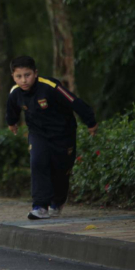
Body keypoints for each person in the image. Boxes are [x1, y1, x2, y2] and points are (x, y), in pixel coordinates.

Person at [6, 56, 98, 220]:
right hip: (38, 134)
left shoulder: (51, 87)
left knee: (61, 169)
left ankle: (58, 201)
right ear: (13, 76)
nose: (23, 80)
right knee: (38, 161)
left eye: (27, 75)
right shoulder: (15, 93)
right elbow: (12, 109)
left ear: (35, 73)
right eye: (18, 76)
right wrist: (11, 123)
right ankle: (40, 206)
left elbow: (74, 101)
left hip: (63, 133)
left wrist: (90, 121)